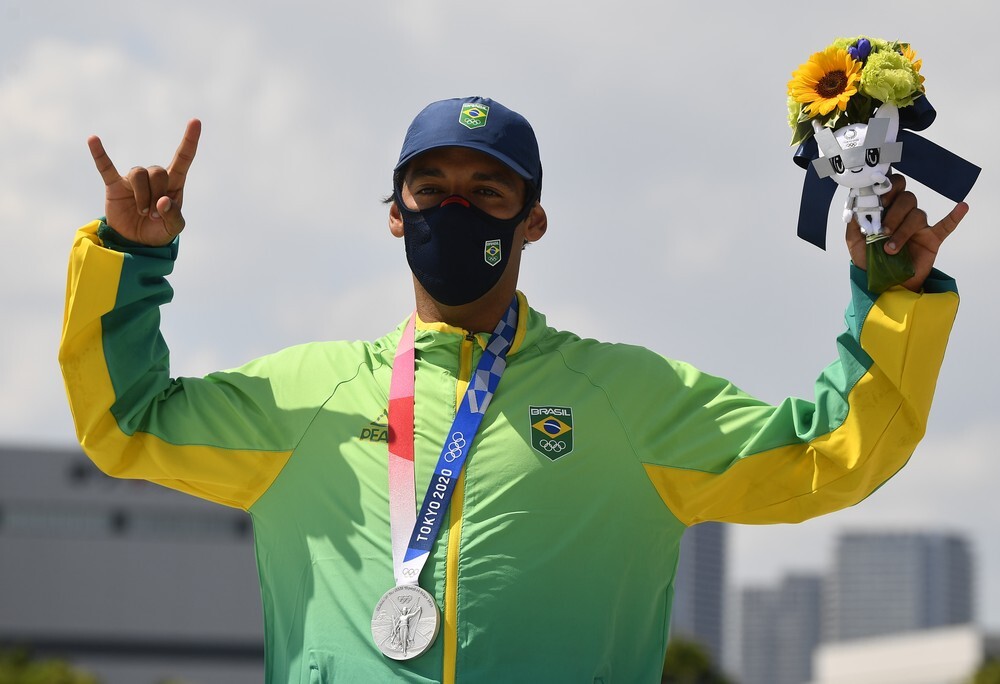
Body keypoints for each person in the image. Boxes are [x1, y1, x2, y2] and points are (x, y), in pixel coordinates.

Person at [59, 96, 965, 683]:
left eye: (487, 193)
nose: (455, 209)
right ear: (394, 214)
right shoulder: (307, 397)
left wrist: (892, 300)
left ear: (532, 220)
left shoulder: (624, 399)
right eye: (431, 187)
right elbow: (124, 422)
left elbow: (823, 457)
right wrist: (133, 260)